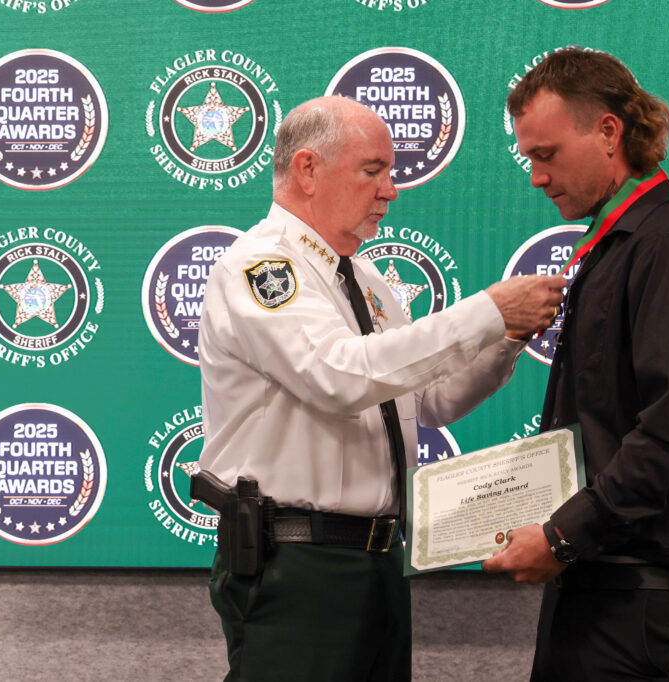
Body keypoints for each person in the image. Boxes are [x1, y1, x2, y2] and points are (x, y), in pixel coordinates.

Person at [197, 95, 566, 682]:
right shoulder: (261, 266)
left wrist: (508, 334)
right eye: (373, 170)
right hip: (298, 563)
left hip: (376, 560)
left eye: (390, 172)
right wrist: (487, 311)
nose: (391, 189)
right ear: (308, 169)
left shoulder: (363, 279)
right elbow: (338, 377)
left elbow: (429, 402)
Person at [482, 47, 669, 681]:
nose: (535, 177)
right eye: (528, 159)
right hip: (601, 594)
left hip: (641, 615)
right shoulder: (619, 247)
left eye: (544, 155)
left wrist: (561, 535)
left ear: (609, 131)